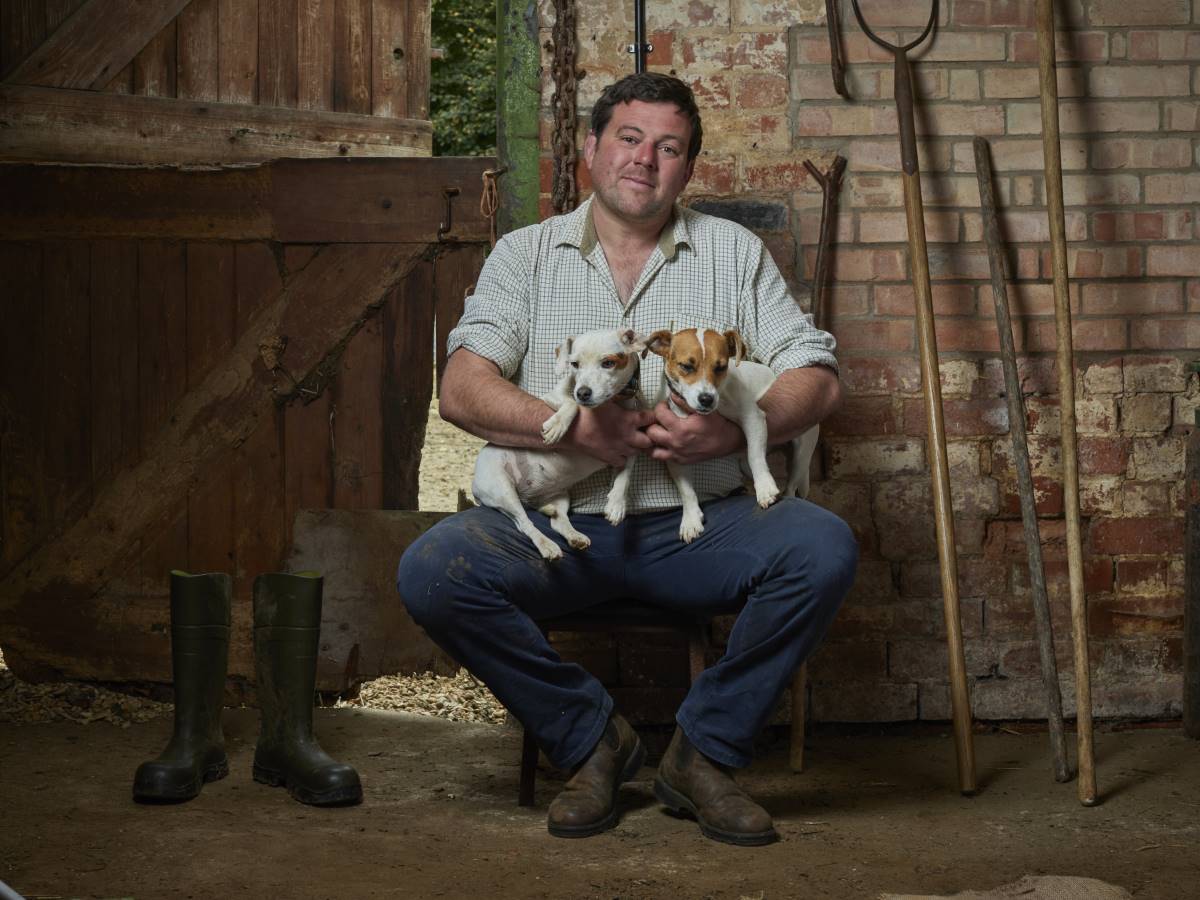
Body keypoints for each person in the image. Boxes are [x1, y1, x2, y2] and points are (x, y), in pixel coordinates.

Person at [397, 72, 857, 846]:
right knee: (430, 572)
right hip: (559, 527)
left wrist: (737, 430)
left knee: (823, 547)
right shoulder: (526, 255)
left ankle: (703, 755)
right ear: (592, 149)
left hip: (703, 523)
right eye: (630, 139)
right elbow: (461, 388)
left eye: (669, 147)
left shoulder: (732, 253)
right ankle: (590, 739)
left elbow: (817, 371)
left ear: (688, 167)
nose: (645, 160)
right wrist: (569, 428)